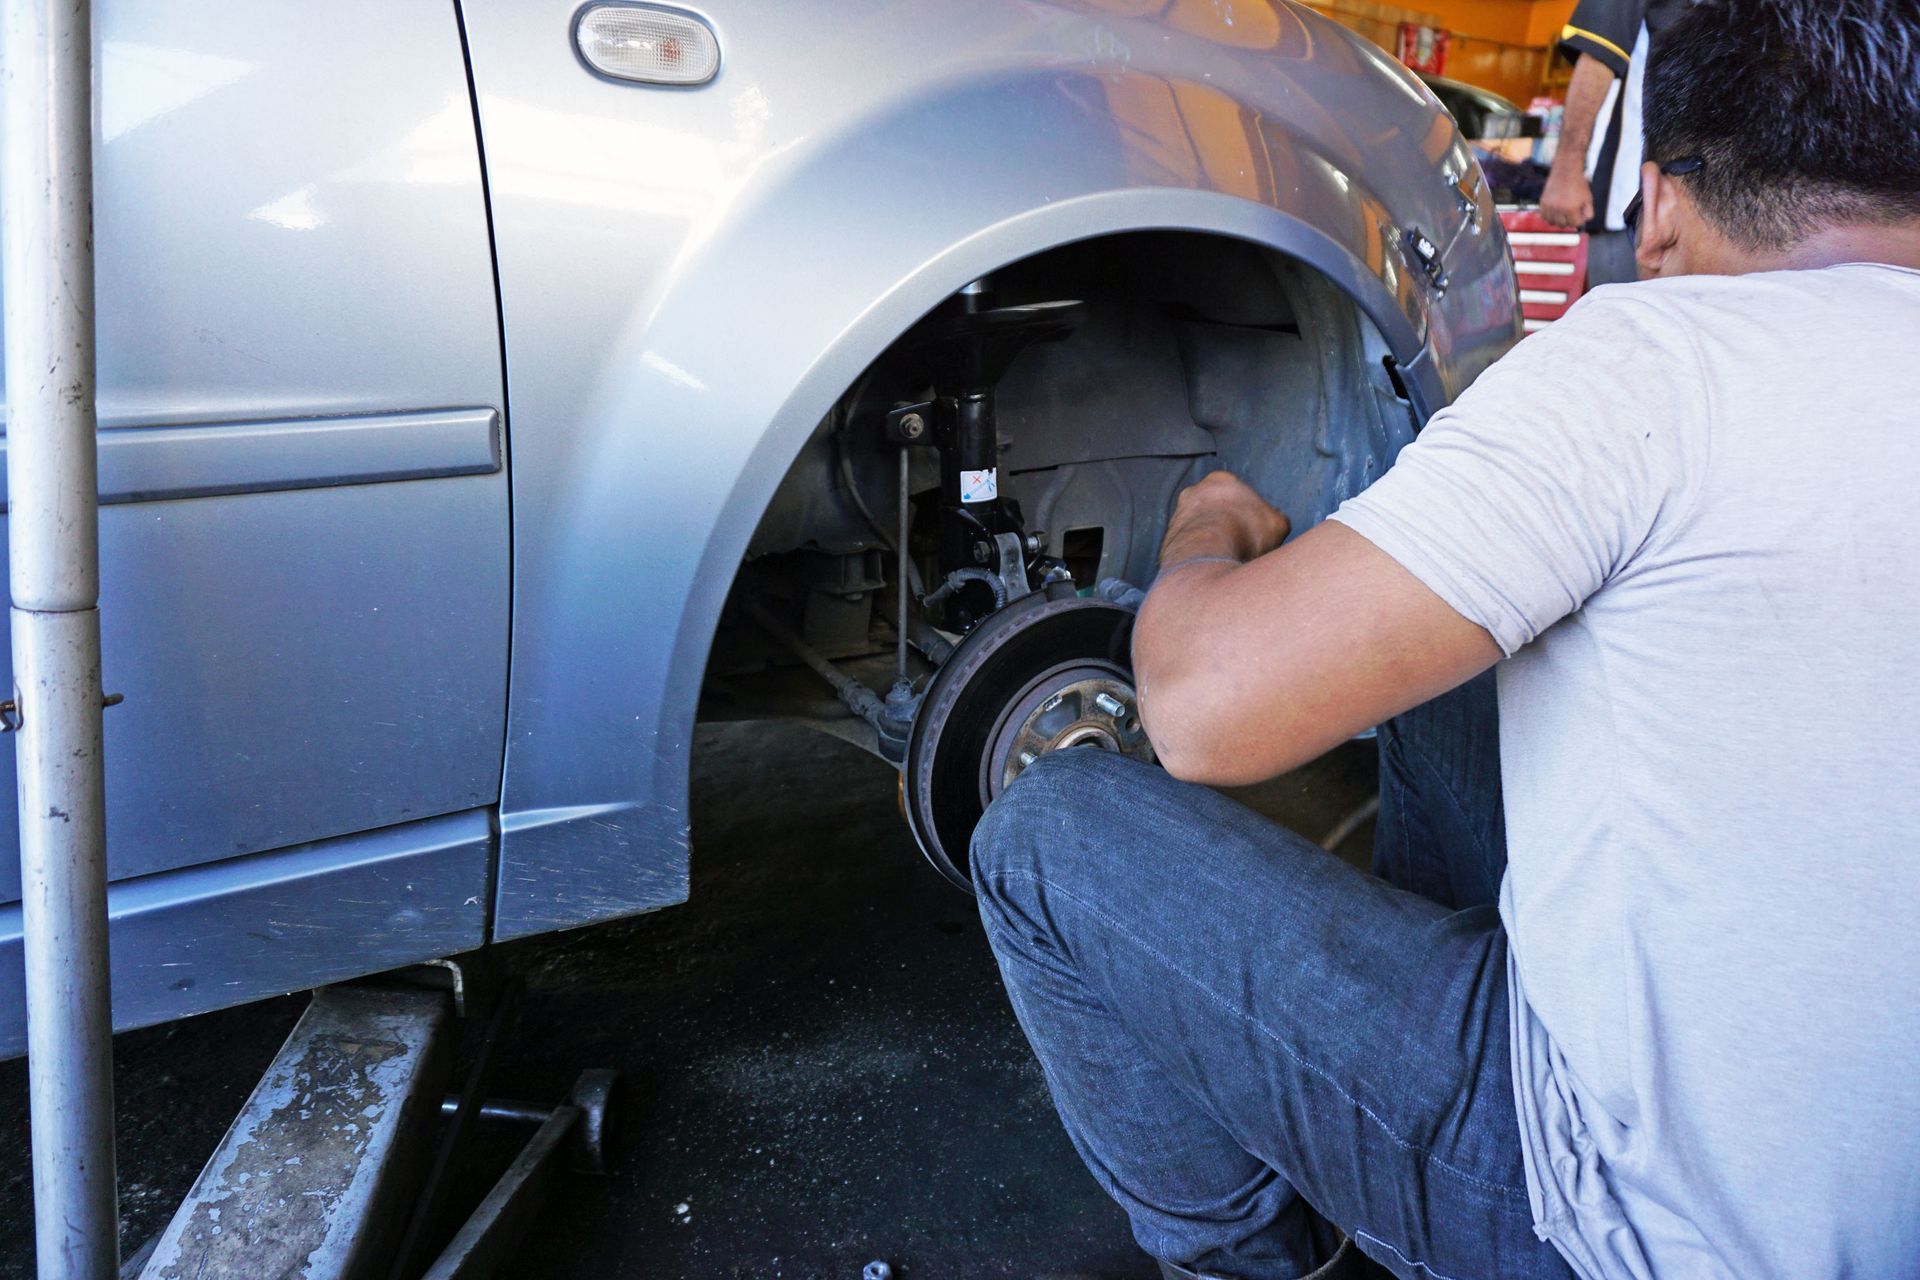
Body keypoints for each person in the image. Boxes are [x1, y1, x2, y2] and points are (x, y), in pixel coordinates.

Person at [970, 1, 1920, 1277]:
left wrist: (1204, 529)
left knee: (1044, 835)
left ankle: (1265, 1257)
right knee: (1450, 675)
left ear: (1662, 207)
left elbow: (1197, 709)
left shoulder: (1649, 362)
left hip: (1644, 1230)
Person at [1539, 0, 1690, 284]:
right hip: (1632, 206)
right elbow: (1597, 55)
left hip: (1714, 209)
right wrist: (1566, 169)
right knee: (1628, 319)